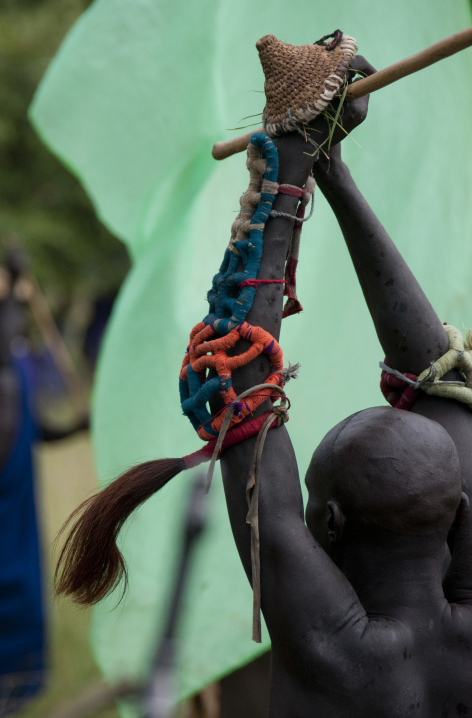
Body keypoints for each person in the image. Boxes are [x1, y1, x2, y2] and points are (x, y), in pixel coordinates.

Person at [217, 58, 472, 716]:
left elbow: (245, 417)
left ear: (330, 523)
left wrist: (288, 165)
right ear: (462, 516)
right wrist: (319, 164)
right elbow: (439, 377)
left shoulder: (333, 652)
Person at [0, 256, 88, 717]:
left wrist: (75, 427)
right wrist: (16, 280)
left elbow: (31, 427)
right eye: (2, 307)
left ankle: (16, 689)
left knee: (21, 593)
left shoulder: (14, 359)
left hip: (13, 507)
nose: (9, 316)